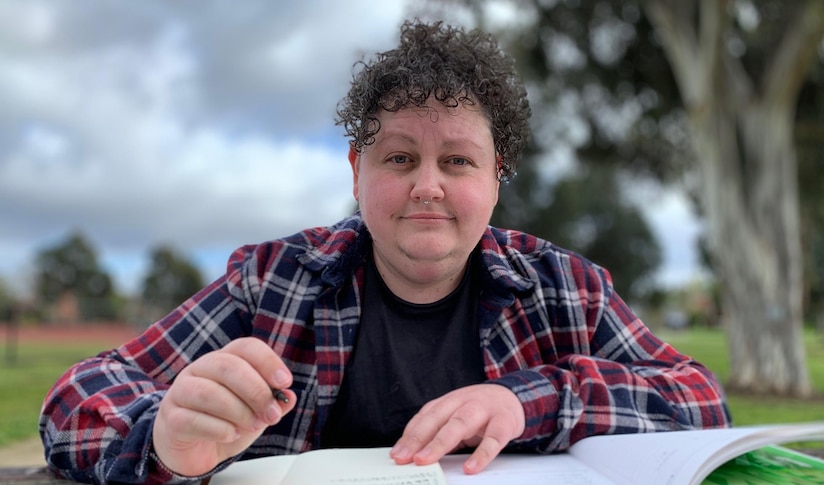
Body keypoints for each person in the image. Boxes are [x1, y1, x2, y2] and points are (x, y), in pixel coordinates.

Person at [40, 19, 731, 485]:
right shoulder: (272, 281)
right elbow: (72, 400)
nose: (427, 186)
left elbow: (702, 402)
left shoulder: (567, 290)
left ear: (498, 176)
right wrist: (160, 436)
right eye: (399, 156)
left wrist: (537, 397)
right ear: (355, 171)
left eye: (458, 161)